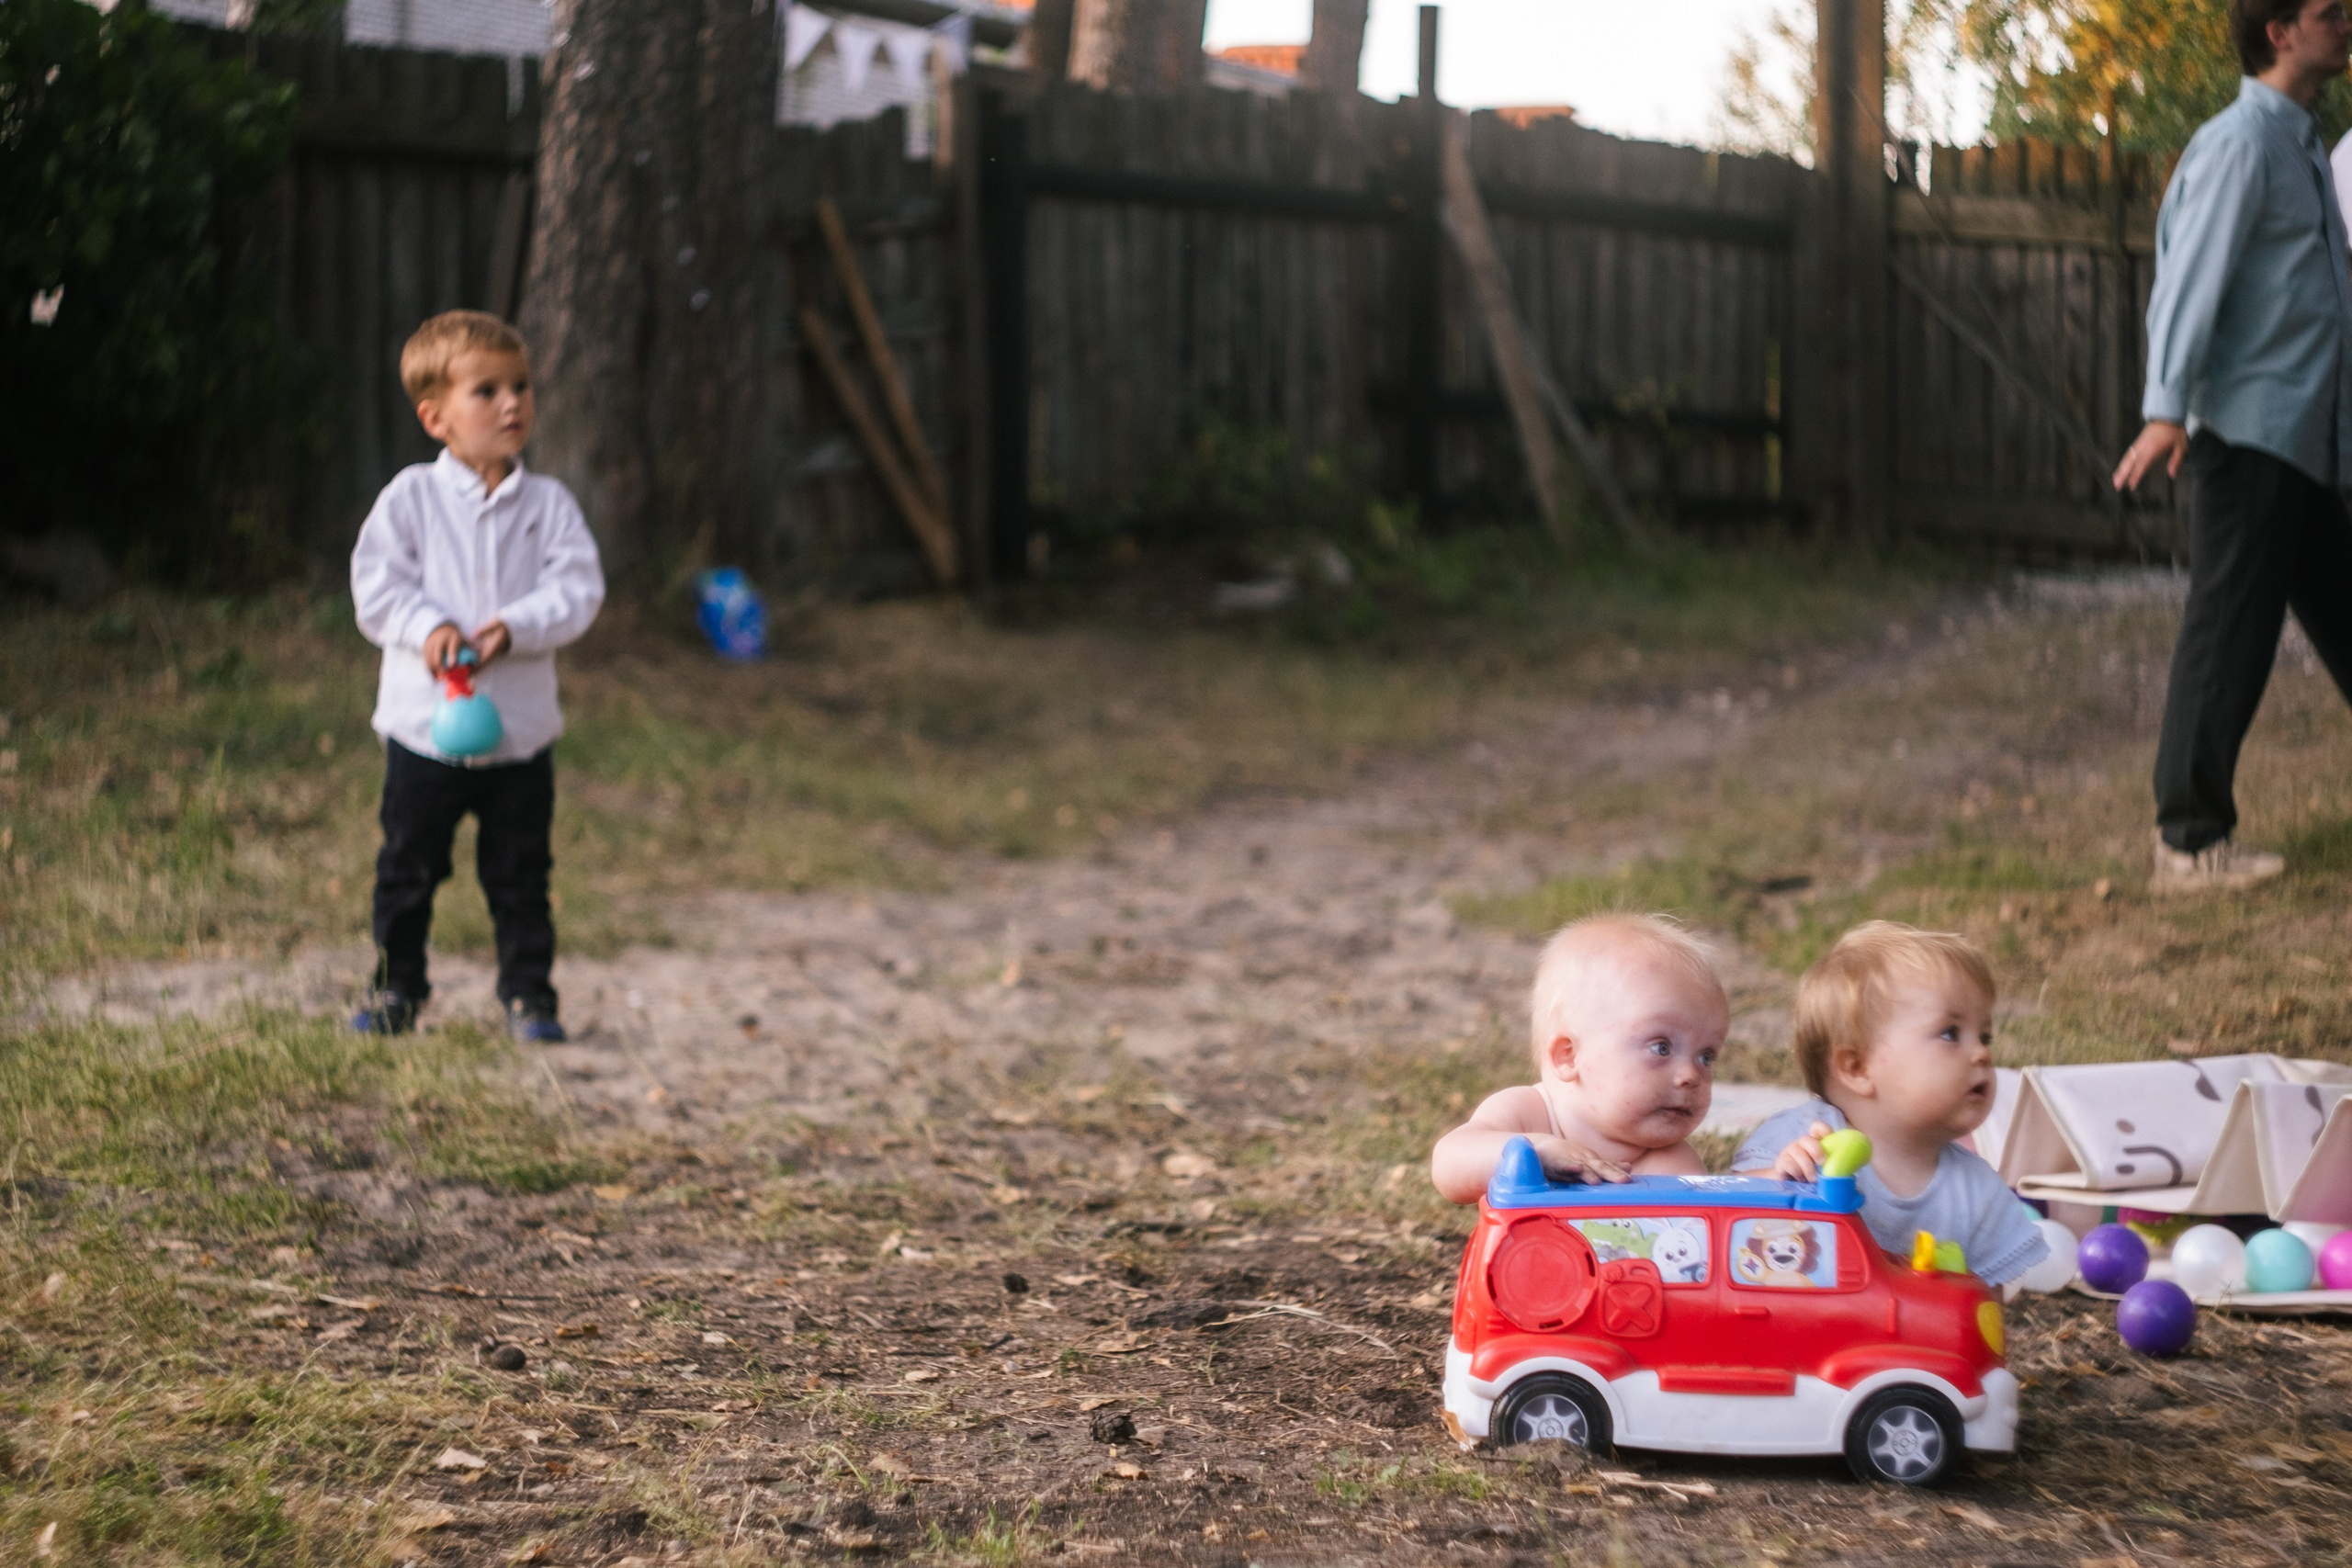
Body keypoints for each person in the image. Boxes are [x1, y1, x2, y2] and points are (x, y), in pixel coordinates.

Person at [2113, 0, 2352, 895]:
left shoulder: (2300, 143)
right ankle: (2187, 840)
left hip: (2300, 437)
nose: (2347, 23)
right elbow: (2188, 281)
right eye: (2330, 12)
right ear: (2279, 32)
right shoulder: (2242, 144)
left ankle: (2191, 833)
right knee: (2228, 636)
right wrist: (2166, 408)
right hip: (2248, 435)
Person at [349, 310, 605, 1041]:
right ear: (436, 418)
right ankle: (398, 986)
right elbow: (377, 587)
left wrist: (513, 626)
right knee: (409, 867)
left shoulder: (549, 506)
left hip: (519, 739)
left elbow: (578, 590)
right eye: (487, 391)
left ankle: (530, 994)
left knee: (521, 873)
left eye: (520, 385)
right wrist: (429, 628)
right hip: (424, 736)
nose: (512, 402)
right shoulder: (410, 500)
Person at [1734, 923, 2048, 1290]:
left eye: (1984, 1036)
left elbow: (1984, 1303)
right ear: (1857, 1068)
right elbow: (1727, 1211)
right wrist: (1779, 1178)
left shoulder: (1977, 1191)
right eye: (1950, 1033)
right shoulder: (1808, 1139)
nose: (1981, 1053)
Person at [1430, 914, 1724, 1203]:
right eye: (1661, 1048)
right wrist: (1535, 1151)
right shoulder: (1527, 1113)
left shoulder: (1673, 1166)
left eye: (1706, 1057)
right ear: (1568, 1057)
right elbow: (1449, 1163)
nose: (1690, 1075)